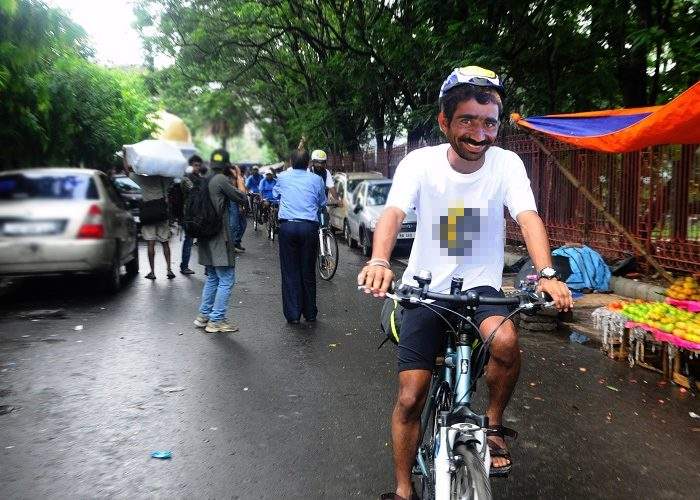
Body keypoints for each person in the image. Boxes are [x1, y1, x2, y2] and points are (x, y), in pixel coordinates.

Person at [356, 66, 574, 499]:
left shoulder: (506, 164)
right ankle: (403, 490)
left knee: (507, 342)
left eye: (489, 122)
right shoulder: (420, 163)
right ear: (444, 122)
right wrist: (380, 259)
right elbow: (394, 212)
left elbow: (527, 217)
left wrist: (546, 273)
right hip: (424, 290)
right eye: (468, 121)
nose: (480, 132)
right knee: (411, 394)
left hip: (481, 293)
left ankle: (492, 426)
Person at [193, 148, 248, 333]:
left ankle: (203, 316)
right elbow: (242, 198)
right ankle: (216, 321)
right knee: (226, 278)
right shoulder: (221, 180)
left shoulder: (205, 179)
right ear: (226, 165)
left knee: (214, 278)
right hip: (219, 236)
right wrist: (239, 177)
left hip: (204, 236)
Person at [273, 149, 326, 324]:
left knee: (290, 271)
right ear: (308, 163)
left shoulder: (282, 178)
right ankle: (310, 313)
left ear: (291, 162)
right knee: (308, 270)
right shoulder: (317, 180)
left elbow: (275, 195)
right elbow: (321, 202)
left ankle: (293, 314)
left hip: (287, 227)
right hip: (308, 228)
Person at [124, 156, 175, 280]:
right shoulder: (164, 180)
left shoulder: (142, 179)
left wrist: (125, 156)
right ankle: (169, 269)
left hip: (148, 215)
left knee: (150, 243)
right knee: (165, 242)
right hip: (161, 214)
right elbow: (174, 172)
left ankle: (152, 272)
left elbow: (127, 172)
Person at [180, 154, 204, 274]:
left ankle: (207, 268)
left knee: (203, 241)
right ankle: (184, 266)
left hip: (199, 214)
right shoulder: (186, 179)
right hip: (188, 215)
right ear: (190, 166)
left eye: (199, 165)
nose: (197, 167)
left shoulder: (199, 178)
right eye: (195, 165)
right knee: (188, 241)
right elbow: (192, 190)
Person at [228, 164, 248, 253]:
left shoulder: (241, 178)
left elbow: (243, 192)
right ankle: (231, 245)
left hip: (239, 203)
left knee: (243, 224)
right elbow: (237, 193)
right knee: (234, 224)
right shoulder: (233, 179)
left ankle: (236, 242)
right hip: (234, 202)